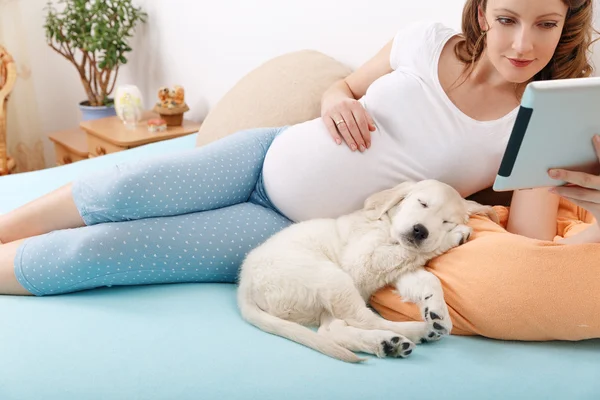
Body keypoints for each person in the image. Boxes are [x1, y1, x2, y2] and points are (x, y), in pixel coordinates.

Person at [0, 0, 597, 301]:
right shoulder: (423, 42)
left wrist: (579, 185)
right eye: (509, 18)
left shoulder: (538, 115)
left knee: (99, 256)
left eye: (545, 23)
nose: (524, 43)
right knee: (117, 189)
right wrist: (335, 98)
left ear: (566, 23)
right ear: (483, 13)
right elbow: (342, 86)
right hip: (265, 154)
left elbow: (528, 250)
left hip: (285, 229)